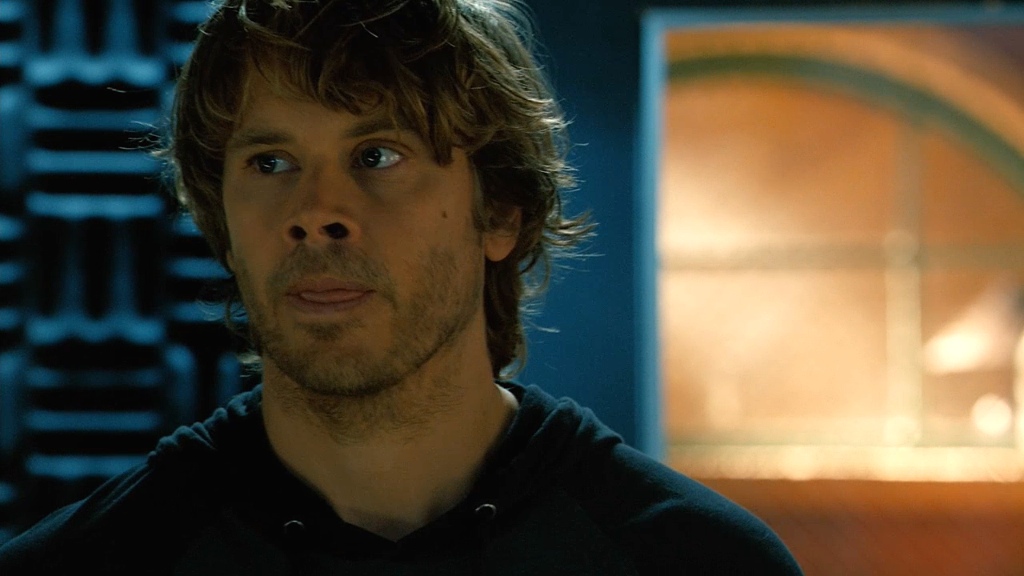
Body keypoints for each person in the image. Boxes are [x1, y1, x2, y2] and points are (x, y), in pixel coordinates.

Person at [0, 0, 802, 573]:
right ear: (223, 227)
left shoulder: (689, 557)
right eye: (271, 163)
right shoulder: (92, 560)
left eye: (377, 155)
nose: (315, 213)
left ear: (500, 212)